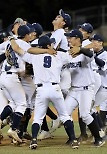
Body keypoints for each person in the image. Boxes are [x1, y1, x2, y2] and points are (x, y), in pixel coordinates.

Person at [10, 35, 79, 149]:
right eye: (50, 44)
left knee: (38, 118)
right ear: (48, 45)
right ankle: (74, 140)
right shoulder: (58, 55)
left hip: (41, 90)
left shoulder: (33, 56)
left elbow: (17, 49)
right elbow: (74, 53)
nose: (52, 45)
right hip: (55, 88)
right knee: (64, 115)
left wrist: (11, 39)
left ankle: (34, 141)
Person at [64, 29, 105, 147]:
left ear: (77, 39)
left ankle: (98, 138)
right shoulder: (69, 53)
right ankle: (72, 138)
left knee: (85, 115)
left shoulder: (86, 52)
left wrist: (80, 49)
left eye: (70, 37)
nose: (68, 39)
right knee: (64, 113)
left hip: (86, 89)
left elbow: (91, 55)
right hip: (74, 90)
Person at [37, 9, 72, 140]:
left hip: (62, 72)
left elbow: (49, 46)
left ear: (64, 23)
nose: (56, 17)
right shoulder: (57, 32)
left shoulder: (59, 32)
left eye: (59, 17)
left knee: (66, 100)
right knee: (48, 98)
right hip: (59, 71)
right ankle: (51, 124)